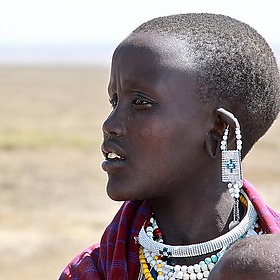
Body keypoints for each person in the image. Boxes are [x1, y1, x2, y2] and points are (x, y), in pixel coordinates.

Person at [59, 13, 280, 280]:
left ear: (221, 129)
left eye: (141, 103)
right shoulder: (89, 273)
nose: (110, 124)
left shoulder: (270, 262)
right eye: (114, 101)